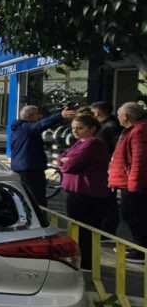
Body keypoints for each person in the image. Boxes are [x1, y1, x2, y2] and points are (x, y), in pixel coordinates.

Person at [58, 112, 113, 269]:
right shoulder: (79, 143)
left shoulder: (94, 143)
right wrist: (64, 160)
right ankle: (81, 259)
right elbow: (61, 157)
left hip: (86, 192)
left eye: (80, 128)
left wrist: (65, 161)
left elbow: (71, 164)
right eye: (73, 128)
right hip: (76, 189)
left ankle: (86, 263)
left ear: (92, 128)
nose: (75, 131)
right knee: (77, 229)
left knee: (84, 230)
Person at [10, 105, 77, 206]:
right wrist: (60, 116)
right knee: (36, 198)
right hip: (30, 169)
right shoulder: (26, 128)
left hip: (23, 167)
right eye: (37, 114)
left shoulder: (19, 129)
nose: (40, 117)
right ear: (29, 116)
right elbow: (41, 124)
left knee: (28, 197)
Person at [108, 102, 147, 261]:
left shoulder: (139, 131)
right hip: (130, 182)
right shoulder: (136, 129)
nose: (118, 118)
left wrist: (134, 184)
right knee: (134, 215)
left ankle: (142, 249)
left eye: (119, 115)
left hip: (134, 184)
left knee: (134, 215)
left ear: (125, 116)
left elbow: (139, 159)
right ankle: (139, 244)